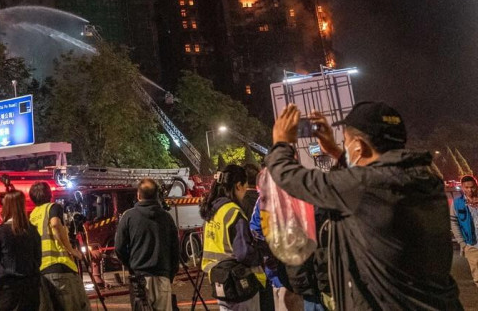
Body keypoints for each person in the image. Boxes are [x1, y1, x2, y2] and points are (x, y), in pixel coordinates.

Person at [268, 102, 463, 310]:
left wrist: (281, 143)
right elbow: (367, 182)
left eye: (346, 141)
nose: (345, 146)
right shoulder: (425, 180)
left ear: (359, 147)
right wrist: (336, 151)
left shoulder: (365, 186)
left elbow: (289, 176)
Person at [200, 164, 266, 311]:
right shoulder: (233, 212)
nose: (245, 192)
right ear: (238, 186)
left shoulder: (212, 210)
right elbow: (244, 253)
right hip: (240, 283)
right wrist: (260, 253)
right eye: (245, 187)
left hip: (219, 280)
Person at [114, 178, 181, 311]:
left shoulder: (129, 217)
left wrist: (131, 265)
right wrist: (170, 274)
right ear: (157, 195)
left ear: (138, 195)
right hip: (162, 276)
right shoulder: (167, 218)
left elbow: (119, 248)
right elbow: (175, 250)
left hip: (139, 278)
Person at [28, 181, 89, 311]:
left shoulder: (32, 216)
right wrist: (71, 250)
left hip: (41, 272)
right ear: (49, 194)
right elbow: (55, 224)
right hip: (60, 267)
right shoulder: (53, 208)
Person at [0, 189, 42, 311]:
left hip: (6, 289)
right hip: (30, 289)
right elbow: (38, 260)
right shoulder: (32, 231)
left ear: (5, 206)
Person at [451, 174, 478, 291]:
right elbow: (454, 224)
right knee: (477, 276)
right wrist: (463, 244)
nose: (470, 190)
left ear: (476, 186)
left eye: (472, 187)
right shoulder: (457, 204)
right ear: (462, 187)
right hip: (471, 245)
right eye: (466, 187)